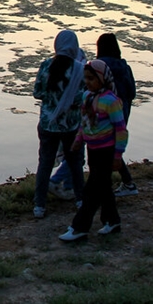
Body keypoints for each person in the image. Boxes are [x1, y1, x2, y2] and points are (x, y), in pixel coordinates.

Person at [59, 59, 128, 241]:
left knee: (92, 190)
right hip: (93, 149)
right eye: (86, 79)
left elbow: (121, 130)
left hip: (106, 151)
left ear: (102, 78)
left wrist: (117, 155)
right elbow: (85, 123)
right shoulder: (86, 97)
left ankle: (79, 227)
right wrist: (78, 140)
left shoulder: (111, 101)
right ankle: (112, 221)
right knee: (104, 187)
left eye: (91, 78)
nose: (87, 82)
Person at [32, 30, 86, 218]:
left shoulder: (46, 66)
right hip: (70, 125)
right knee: (75, 163)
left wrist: (52, 101)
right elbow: (82, 97)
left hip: (47, 124)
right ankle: (80, 200)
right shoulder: (79, 69)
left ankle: (39, 205)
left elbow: (37, 93)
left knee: (45, 164)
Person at [96, 33, 139, 197]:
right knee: (113, 147)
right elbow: (132, 93)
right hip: (123, 111)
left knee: (103, 149)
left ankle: (120, 185)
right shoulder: (124, 67)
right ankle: (126, 183)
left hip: (103, 112)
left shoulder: (99, 66)